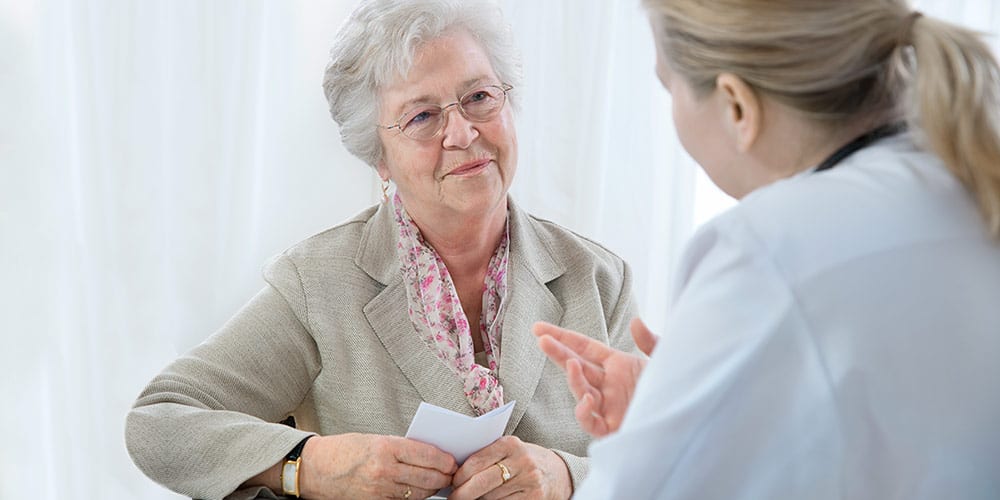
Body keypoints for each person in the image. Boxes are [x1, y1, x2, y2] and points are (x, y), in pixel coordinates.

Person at [124, 1, 640, 499]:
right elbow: (160, 422)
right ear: (381, 160)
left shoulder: (597, 279)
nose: (462, 132)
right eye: (421, 117)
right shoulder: (318, 283)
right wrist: (311, 466)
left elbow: (660, 459)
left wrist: (569, 477)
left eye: (480, 97)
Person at [533, 0, 1000, 498]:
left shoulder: (768, 248)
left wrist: (678, 428)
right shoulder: (966, 176)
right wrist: (709, 414)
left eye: (669, 87)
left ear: (736, 105)